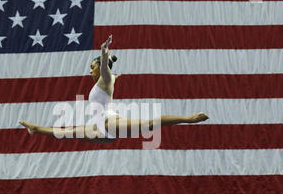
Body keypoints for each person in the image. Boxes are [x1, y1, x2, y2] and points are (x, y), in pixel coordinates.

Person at [19, 35, 209, 143]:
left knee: (149, 124)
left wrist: (104, 52)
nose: (90, 71)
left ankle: (188, 119)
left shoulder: (105, 78)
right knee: (67, 132)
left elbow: (105, 70)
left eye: (92, 67)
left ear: (101, 65)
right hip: (100, 128)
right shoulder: (105, 81)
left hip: (110, 123)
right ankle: (36, 129)